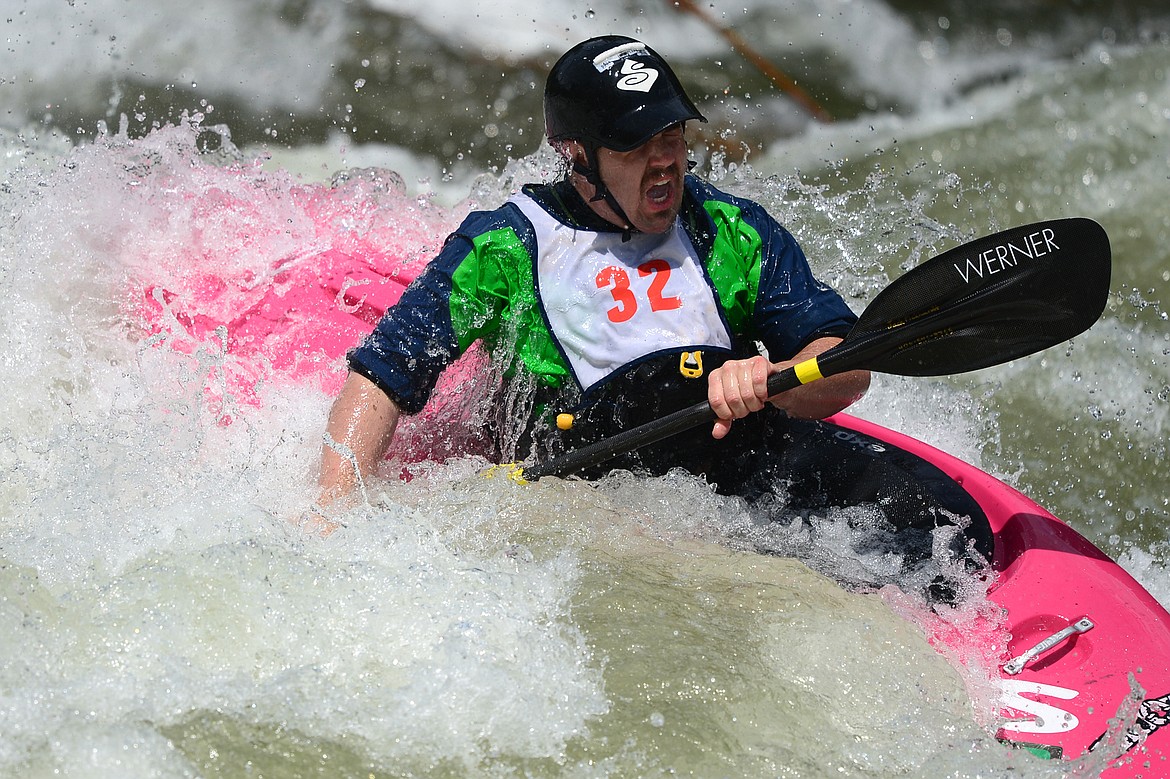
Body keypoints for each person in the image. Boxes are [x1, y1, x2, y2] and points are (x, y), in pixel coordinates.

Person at [317, 35, 870, 506]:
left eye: (672, 136)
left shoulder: (728, 230)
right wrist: (330, 514)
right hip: (578, 493)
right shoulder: (506, 248)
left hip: (728, 483)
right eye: (635, 145)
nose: (664, 162)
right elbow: (384, 373)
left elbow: (849, 361)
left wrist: (774, 382)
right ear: (578, 153)